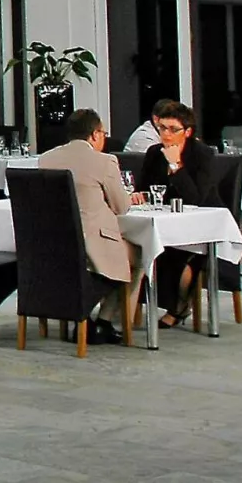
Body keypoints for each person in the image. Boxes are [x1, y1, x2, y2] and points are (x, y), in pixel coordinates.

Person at [38, 109, 145, 343]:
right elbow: (121, 206)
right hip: (92, 246)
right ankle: (107, 320)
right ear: (95, 134)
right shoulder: (104, 161)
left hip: (55, 244)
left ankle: (95, 322)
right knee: (139, 253)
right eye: (103, 133)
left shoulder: (46, 159)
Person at [136, 101, 224, 327]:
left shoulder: (202, 154)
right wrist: (138, 195)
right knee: (147, 249)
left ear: (187, 131)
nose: (166, 134)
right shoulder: (154, 153)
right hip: (166, 221)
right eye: (162, 128)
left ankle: (179, 307)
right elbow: (143, 188)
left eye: (173, 129)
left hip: (203, 224)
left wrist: (176, 165)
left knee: (183, 258)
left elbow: (196, 198)